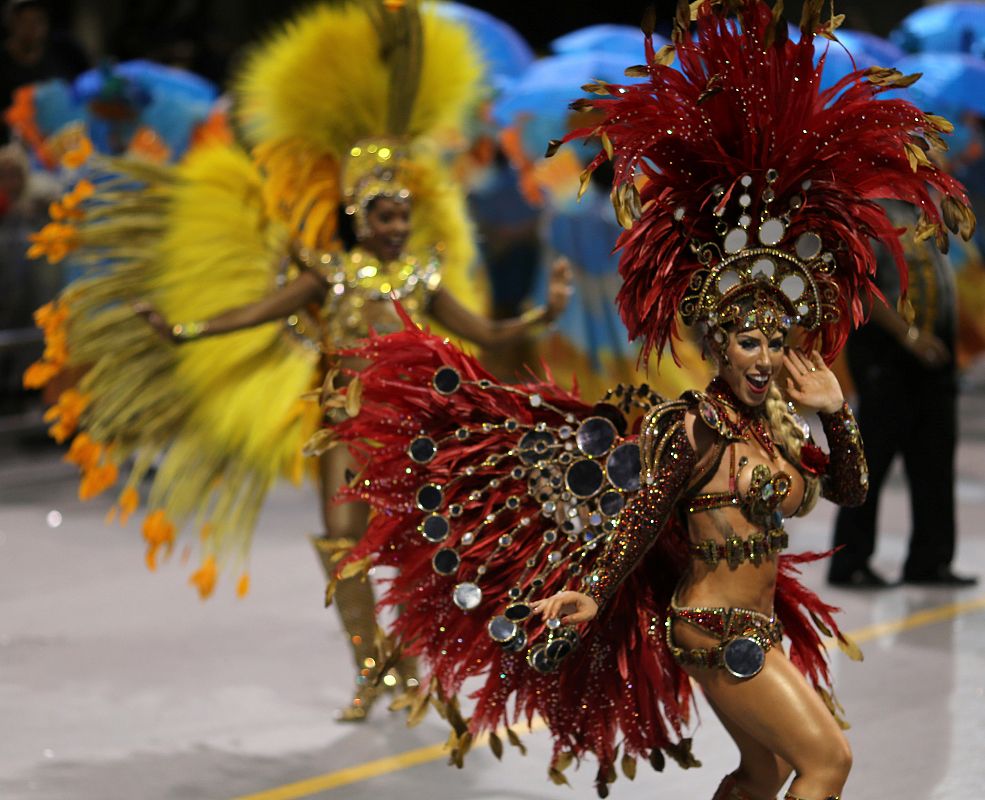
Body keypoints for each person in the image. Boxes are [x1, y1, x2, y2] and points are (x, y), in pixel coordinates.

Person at [321, 2, 975, 798]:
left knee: (763, 773)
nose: (763, 357)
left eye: (774, 341)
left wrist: (836, 414)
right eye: (746, 342)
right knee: (827, 764)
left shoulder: (772, 428)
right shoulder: (692, 424)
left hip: (758, 627)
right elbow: (642, 513)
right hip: (711, 630)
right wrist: (588, 591)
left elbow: (851, 491)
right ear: (714, 344)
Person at [23, 0, 569, 723]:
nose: (396, 226)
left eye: (402, 214)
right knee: (339, 546)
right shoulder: (330, 273)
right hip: (342, 425)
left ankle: (409, 665)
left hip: (411, 431)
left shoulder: (422, 278)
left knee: (411, 548)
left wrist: (544, 314)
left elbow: (488, 332)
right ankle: (368, 665)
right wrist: (186, 328)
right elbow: (258, 311)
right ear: (357, 217)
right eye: (383, 215)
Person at [828, 201, 977, 588]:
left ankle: (930, 560)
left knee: (934, 462)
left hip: (932, 364)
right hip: (889, 360)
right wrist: (908, 336)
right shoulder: (872, 213)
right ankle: (851, 562)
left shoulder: (923, 211)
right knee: (870, 463)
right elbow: (860, 287)